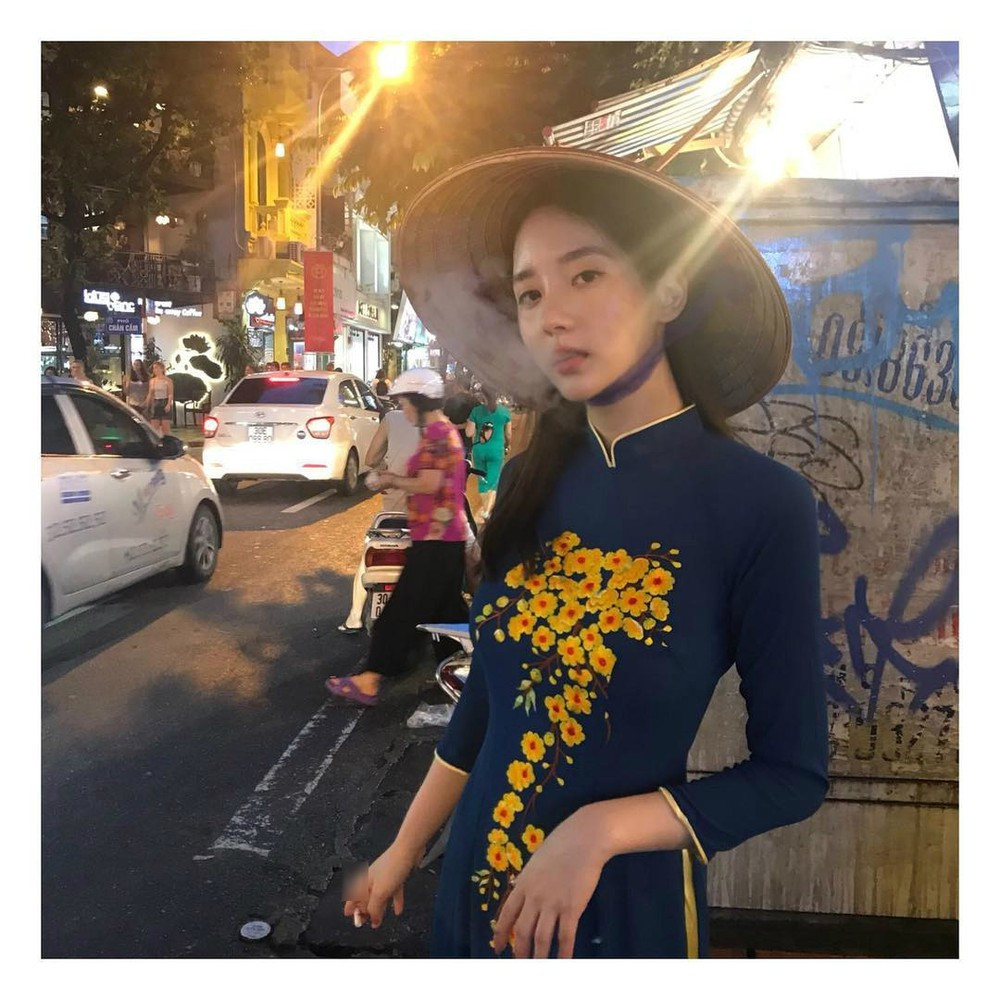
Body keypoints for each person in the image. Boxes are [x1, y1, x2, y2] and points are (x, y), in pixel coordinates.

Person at [342, 148, 829, 958]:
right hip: (474, 894)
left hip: (617, 914)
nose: (551, 317)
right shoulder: (531, 482)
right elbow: (487, 703)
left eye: (586, 276)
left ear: (669, 290)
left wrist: (596, 832)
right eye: (530, 293)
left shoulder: (759, 504)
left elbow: (792, 775)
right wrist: (404, 848)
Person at [324, 367, 470, 705]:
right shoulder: (440, 431)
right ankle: (463, 681)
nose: (403, 410)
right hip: (440, 538)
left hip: (436, 540)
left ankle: (371, 679)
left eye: (405, 403)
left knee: (401, 611)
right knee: (445, 615)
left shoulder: (438, 434)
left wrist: (390, 480)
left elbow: (429, 484)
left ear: (419, 401)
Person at [337, 403, 421, 634]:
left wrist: (388, 467)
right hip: (426, 509)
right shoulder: (440, 423)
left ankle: (355, 616)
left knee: (374, 550)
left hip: (394, 503)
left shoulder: (392, 418)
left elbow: (371, 458)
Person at [465, 388, 512, 520]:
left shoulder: (476, 411)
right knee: (493, 481)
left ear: (483, 395)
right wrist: (507, 445)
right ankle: (487, 511)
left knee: (483, 480)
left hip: (479, 450)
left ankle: (486, 510)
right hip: (496, 450)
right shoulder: (504, 412)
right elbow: (508, 434)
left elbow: (469, 433)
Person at [144, 360, 174, 436]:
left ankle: (167, 441)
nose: (155, 370)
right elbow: (150, 394)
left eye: (157, 368)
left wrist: (168, 404)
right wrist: (146, 404)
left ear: (162, 369)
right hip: (155, 403)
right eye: (154, 368)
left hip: (164, 401)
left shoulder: (168, 380)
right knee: (154, 427)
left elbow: (170, 394)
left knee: (165, 427)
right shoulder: (152, 381)